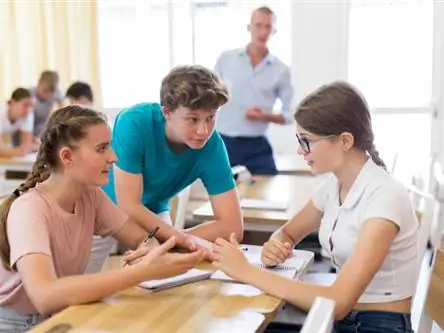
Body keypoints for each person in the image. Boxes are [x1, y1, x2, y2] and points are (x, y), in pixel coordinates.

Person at [0, 105, 206, 332]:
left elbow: (141, 238)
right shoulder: (30, 209)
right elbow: (45, 296)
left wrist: (149, 249)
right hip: (5, 327)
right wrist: (141, 271)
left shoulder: (90, 196)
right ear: (67, 156)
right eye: (102, 148)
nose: (113, 157)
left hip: (56, 317)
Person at [211, 81, 418, 333]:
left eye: (306, 141)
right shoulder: (334, 185)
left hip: (379, 325)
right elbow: (287, 232)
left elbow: (339, 303)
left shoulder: (385, 196)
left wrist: (245, 271)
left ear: (344, 140)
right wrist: (276, 246)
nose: (300, 150)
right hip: (346, 321)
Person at [93, 65, 243, 273]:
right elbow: (129, 205)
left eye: (211, 117)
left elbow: (233, 226)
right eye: (193, 119)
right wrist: (181, 239)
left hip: (153, 210)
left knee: (166, 279)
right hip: (100, 206)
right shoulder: (134, 121)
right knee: (76, 286)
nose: (204, 130)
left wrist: (177, 240)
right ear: (167, 112)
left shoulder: (213, 146)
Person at [214, 6, 293, 176]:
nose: (262, 31)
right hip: (224, 143)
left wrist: (264, 116)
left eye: (268, 27)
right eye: (258, 25)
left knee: (269, 191)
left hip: (257, 146)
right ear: (249, 27)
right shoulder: (226, 59)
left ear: (274, 31)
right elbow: (209, 97)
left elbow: (289, 115)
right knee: (221, 195)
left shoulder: (281, 70)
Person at [30, 70, 64, 137]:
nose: (47, 95)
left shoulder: (56, 93)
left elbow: (64, 111)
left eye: (51, 93)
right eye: (44, 91)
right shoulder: (30, 94)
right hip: (26, 130)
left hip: (41, 131)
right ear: (38, 84)